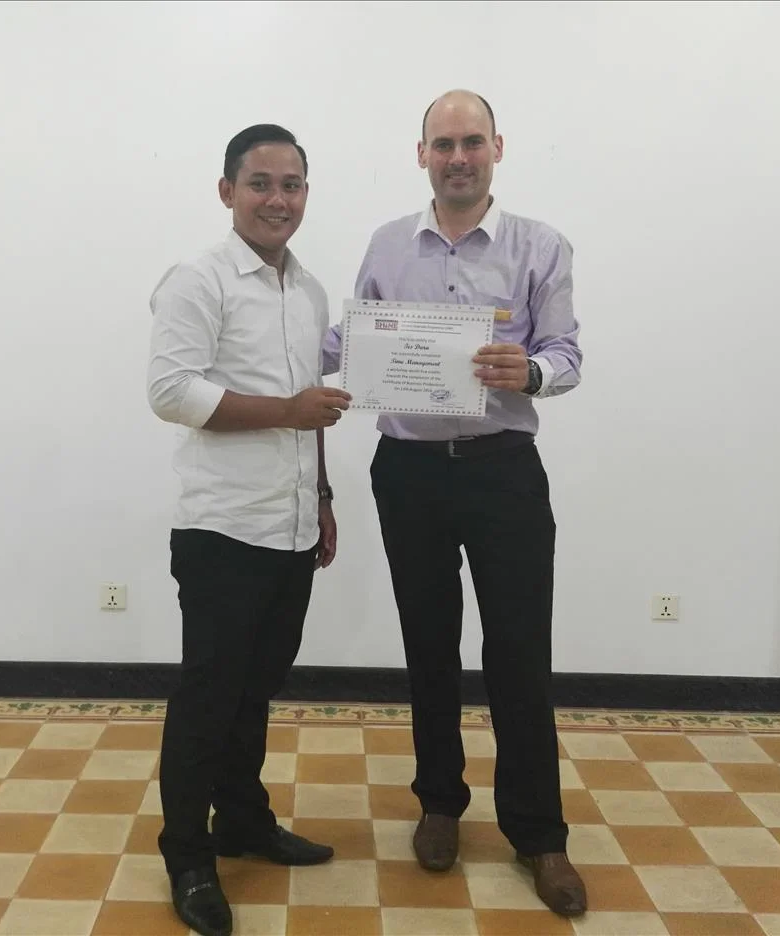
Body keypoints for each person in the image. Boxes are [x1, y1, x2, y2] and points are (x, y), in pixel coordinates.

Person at [321, 89, 588, 917]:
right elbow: (351, 341)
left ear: (497, 148)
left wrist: (530, 371)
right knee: (428, 644)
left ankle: (538, 834)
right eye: (444, 144)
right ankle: (440, 803)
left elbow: (567, 351)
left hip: (503, 468)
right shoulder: (386, 245)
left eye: (473, 141)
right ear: (422, 155)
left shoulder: (541, 245)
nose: (459, 157)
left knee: (519, 652)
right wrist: (283, 350)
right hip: (408, 471)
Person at [146, 123, 350, 936]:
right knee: (209, 698)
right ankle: (187, 856)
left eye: (291, 185)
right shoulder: (197, 280)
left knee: (256, 690)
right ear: (227, 190)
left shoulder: (310, 291)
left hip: (291, 525)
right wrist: (289, 411)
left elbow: (314, 410)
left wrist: (322, 496)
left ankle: (242, 821)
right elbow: (172, 393)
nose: (277, 200)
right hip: (223, 530)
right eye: (260, 183)